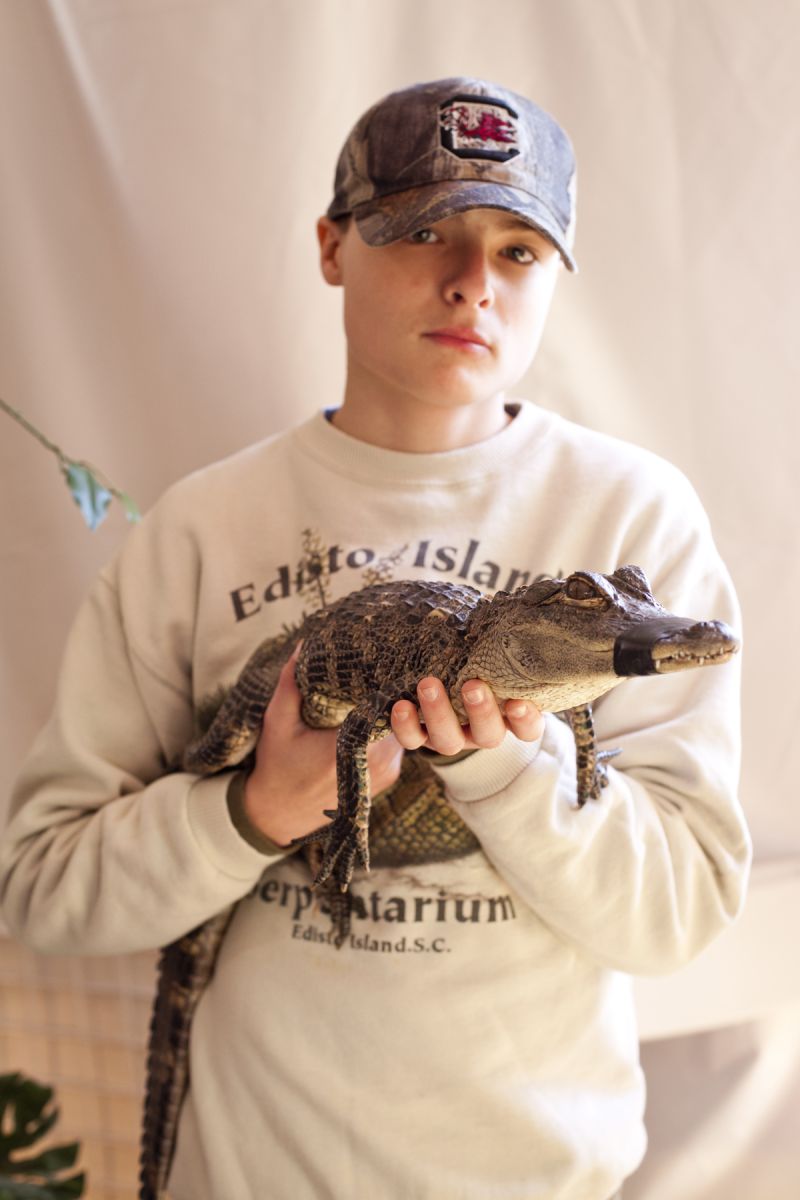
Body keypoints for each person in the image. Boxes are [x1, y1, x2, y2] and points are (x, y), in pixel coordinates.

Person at [0, 77, 750, 1200]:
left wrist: (503, 765)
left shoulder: (634, 519)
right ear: (331, 245)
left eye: (517, 252)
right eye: (420, 231)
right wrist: (255, 807)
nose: (468, 283)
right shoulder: (202, 529)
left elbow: (678, 910)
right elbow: (43, 887)